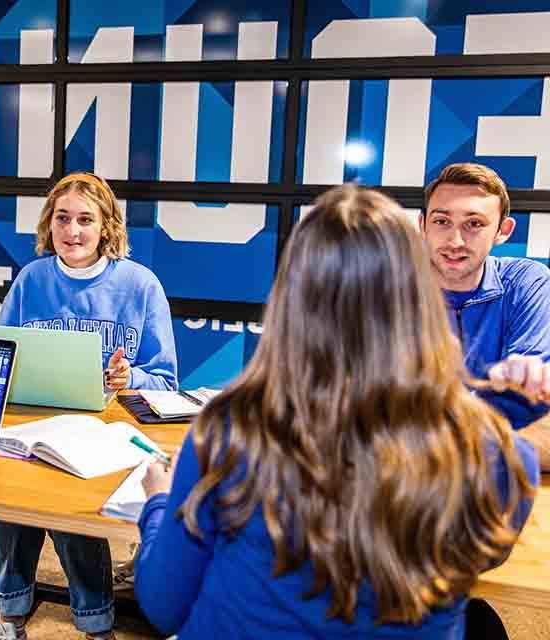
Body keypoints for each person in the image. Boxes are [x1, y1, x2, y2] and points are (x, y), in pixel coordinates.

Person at [134, 185, 539, 639]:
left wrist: (159, 501)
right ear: (419, 294)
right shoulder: (499, 454)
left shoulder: (231, 429)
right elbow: (481, 557)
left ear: (292, 298)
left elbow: (163, 606)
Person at [0, 172, 177, 640]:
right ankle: (10, 613)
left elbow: (167, 381)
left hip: (104, 435)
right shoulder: (31, 279)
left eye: (85, 220)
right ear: (49, 224)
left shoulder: (141, 285)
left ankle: (96, 621)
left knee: (72, 508)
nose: (72, 232)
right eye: (63, 219)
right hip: (35, 424)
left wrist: (127, 377)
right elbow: (3, 360)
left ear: (106, 226)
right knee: (13, 499)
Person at [421, 163, 550, 441]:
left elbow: (527, 397)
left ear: (503, 230)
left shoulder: (526, 280)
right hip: (477, 447)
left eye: (474, 224)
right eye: (442, 221)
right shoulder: (390, 287)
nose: (455, 240)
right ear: (423, 225)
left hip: (428, 451)